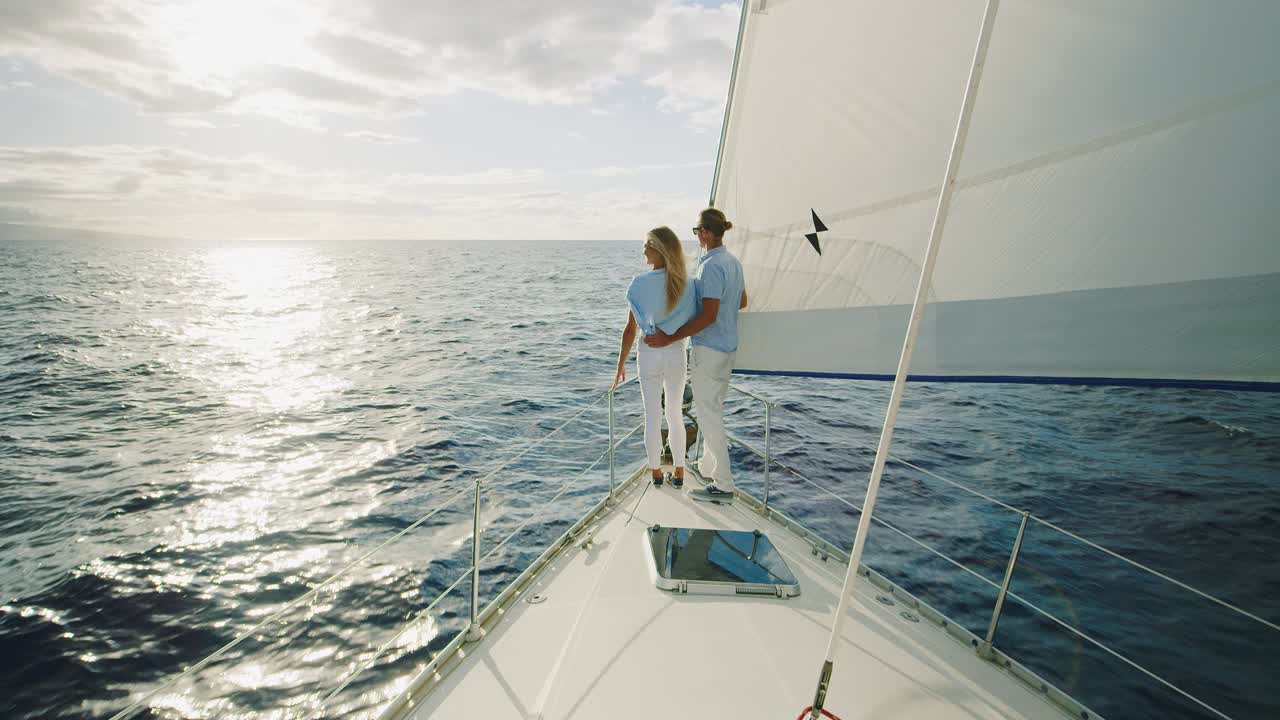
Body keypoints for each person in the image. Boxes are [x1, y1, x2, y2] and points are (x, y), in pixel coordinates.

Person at [644, 208, 745, 502]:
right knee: (713, 411)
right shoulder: (732, 262)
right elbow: (741, 301)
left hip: (709, 350)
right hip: (727, 349)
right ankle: (709, 468)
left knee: (709, 416)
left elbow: (709, 315)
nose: (697, 235)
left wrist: (670, 337)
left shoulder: (711, 266)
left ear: (706, 233)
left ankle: (724, 485)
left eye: (697, 230)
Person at [613, 226, 697, 487]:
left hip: (649, 353)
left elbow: (631, 328)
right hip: (676, 351)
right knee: (674, 414)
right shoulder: (689, 284)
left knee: (652, 415)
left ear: (659, 250)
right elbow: (692, 322)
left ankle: (657, 474)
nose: (643, 250)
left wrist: (620, 363)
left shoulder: (639, 284)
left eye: (648, 245)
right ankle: (680, 473)